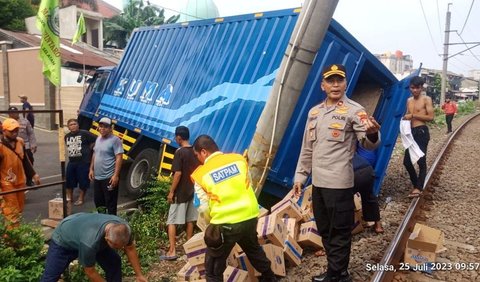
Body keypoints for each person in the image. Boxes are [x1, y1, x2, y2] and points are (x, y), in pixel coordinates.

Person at [293, 64, 381, 282]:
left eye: (339, 80)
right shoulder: (314, 113)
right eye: (330, 81)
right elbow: (307, 148)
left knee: (339, 230)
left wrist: (372, 134)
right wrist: (300, 176)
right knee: (324, 228)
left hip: (340, 183)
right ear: (323, 85)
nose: (335, 85)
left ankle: (338, 274)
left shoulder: (354, 110)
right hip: (319, 183)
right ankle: (336, 270)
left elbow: (369, 144)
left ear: (345, 83)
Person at [191, 135, 276, 282]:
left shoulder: (201, 174)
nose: (198, 158)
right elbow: (248, 184)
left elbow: (203, 208)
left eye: (197, 155)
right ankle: (270, 278)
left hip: (225, 224)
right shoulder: (238, 159)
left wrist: (211, 227)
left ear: (203, 152)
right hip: (249, 217)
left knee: (212, 269)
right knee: (253, 250)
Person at [40, 212, 147, 282]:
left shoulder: (123, 228)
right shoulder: (90, 243)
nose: (120, 250)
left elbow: (130, 248)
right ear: (108, 240)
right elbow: (90, 271)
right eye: (117, 247)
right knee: (50, 277)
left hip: (84, 229)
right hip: (64, 240)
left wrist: (139, 275)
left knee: (114, 262)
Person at [160, 126, 200, 261]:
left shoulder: (180, 152)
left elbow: (177, 173)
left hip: (181, 193)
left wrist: (171, 192)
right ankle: (188, 249)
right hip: (193, 192)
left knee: (171, 221)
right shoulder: (195, 151)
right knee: (190, 220)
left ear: (178, 137)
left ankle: (172, 251)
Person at [0, 118, 40, 228]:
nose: (14, 133)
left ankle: (15, 234)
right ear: (4, 131)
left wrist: (33, 174)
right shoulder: (0, 146)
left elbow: (25, 160)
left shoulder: (20, 142)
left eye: (16, 130)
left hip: (20, 181)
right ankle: (11, 239)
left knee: (19, 209)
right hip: (6, 184)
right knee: (11, 211)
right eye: (11, 131)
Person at [403, 76, 434, 198]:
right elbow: (407, 115)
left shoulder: (427, 99)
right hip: (410, 132)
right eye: (412, 87)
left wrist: (413, 115)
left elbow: (431, 117)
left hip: (421, 131)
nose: (414, 90)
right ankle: (417, 184)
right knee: (407, 162)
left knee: (421, 160)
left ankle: (418, 188)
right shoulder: (409, 100)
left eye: (417, 88)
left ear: (421, 88)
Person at [89, 117, 123, 215]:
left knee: (110, 204)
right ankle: (103, 223)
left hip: (109, 177)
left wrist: (115, 175)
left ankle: (112, 225)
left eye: (105, 127)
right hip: (98, 177)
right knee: (99, 203)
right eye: (101, 126)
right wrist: (91, 169)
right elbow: (95, 154)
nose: (102, 129)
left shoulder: (115, 140)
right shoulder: (98, 138)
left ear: (110, 128)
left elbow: (119, 157)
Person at [64, 118, 97, 206]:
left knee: (83, 182)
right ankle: (69, 198)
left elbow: (96, 139)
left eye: (75, 124)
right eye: (71, 125)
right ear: (68, 127)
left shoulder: (84, 133)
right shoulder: (66, 136)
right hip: (72, 162)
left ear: (78, 125)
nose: (73, 126)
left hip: (84, 162)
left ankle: (81, 198)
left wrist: (90, 147)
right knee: (69, 181)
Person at [8, 106, 37, 185]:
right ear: (9, 114)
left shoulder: (25, 121)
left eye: (15, 113)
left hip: (25, 145)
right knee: (13, 164)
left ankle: (29, 180)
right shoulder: (7, 122)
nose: (13, 115)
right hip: (12, 147)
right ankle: (14, 181)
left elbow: (30, 133)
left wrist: (33, 144)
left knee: (29, 161)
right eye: (11, 113)